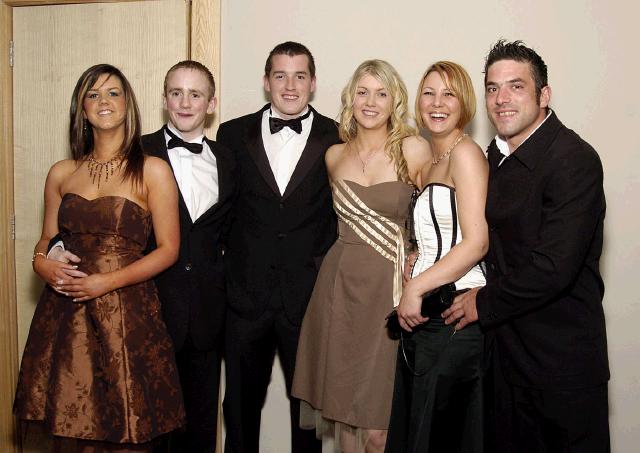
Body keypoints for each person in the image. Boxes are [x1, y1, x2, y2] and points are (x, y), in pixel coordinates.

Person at [45, 60, 235, 453]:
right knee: (138, 426)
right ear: (163, 100)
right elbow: (56, 238)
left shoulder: (232, 159)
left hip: (206, 311)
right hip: (147, 308)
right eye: (176, 93)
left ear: (211, 103)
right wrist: (49, 257)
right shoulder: (138, 152)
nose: (185, 102)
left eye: (195, 94)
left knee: (200, 426)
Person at [443, 40, 610, 452]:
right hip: (503, 361)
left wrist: (481, 302)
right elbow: (476, 234)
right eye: (493, 88)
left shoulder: (574, 159)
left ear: (544, 95)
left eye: (516, 86)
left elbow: (553, 267)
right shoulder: (491, 158)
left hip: (560, 366)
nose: (501, 99)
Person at [14, 64, 184, 452]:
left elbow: (169, 250)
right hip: (64, 313)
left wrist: (104, 282)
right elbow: (45, 239)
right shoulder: (62, 172)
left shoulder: (153, 171)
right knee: (68, 418)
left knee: (123, 419)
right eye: (93, 95)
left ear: (128, 103)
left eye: (112, 92)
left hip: (126, 312)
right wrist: (41, 262)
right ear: (81, 109)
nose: (103, 101)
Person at [292, 59, 430, 453]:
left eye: (381, 93)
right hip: (340, 289)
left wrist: (417, 256)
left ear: (394, 101)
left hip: (388, 292)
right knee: (345, 413)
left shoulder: (412, 149)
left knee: (379, 429)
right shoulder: (333, 156)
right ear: (351, 97)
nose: (371, 102)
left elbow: (437, 212)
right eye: (363, 92)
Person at [216, 41, 340, 453]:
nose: (290, 86)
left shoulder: (337, 136)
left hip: (307, 298)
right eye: (280, 76)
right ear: (266, 82)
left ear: (313, 83)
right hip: (244, 298)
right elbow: (219, 212)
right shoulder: (232, 134)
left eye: (299, 76)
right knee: (239, 409)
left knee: (308, 415)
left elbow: (347, 217)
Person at [384, 61, 488, 453]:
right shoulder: (431, 162)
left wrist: (416, 288)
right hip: (426, 317)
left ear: (464, 103)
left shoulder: (466, 155)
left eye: (448, 94)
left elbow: (477, 242)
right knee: (416, 433)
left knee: (440, 437)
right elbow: (437, 227)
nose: (437, 103)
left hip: (455, 317)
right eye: (428, 93)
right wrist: (416, 255)